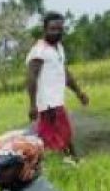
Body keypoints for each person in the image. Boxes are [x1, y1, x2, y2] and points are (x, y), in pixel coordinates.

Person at [26, 11, 89, 157]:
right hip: (47, 105)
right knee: (58, 137)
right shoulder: (39, 51)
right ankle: (73, 163)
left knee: (58, 138)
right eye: (53, 29)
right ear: (45, 29)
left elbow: (65, 73)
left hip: (56, 102)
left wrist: (79, 92)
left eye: (60, 29)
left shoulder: (59, 48)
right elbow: (31, 77)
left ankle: (69, 164)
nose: (57, 32)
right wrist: (32, 104)